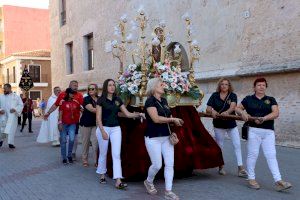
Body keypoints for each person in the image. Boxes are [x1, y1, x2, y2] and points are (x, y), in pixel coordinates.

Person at [235, 77, 292, 191]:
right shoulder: (248, 99)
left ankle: (278, 181)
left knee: (271, 155)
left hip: (268, 131)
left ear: (266, 87)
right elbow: (237, 108)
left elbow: (276, 113)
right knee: (253, 154)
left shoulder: (271, 99)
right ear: (254, 87)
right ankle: (251, 178)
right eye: (259, 85)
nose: (261, 87)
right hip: (254, 130)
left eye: (263, 85)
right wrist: (242, 113)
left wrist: (264, 118)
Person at [96, 79, 144, 189]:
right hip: (103, 128)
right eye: (109, 85)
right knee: (103, 152)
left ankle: (118, 180)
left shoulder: (118, 100)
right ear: (105, 87)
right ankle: (102, 174)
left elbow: (127, 114)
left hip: (116, 129)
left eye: (113, 85)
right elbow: (98, 118)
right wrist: (103, 131)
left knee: (116, 154)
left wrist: (139, 114)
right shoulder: (101, 100)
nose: (112, 87)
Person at [143, 78, 184, 200]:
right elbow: (156, 119)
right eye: (161, 84)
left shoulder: (164, 100)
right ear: (153, 87)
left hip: (166, 136)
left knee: (170, 164)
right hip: (153, 137)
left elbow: (168, 117)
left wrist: (173, 128)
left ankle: (168, 191)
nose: (163, 86)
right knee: (157, 165)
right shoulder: (150, 101)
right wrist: (173, 119)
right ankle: (149, 181)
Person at [206, 78, 247, 177]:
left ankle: (240, 167)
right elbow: (208, 109)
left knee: (237, 144)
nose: (224, 86)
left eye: (226, 84)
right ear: (219, 86)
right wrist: (212, 112)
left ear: (229, 86)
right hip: (218, 124)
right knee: (220, 145)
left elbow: (233, 107)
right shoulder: (214, 95)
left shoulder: (232, 95)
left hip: (230, 124)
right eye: (222, 84)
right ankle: (221, 166)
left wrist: (227, 113)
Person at [44, 80, 83, 160]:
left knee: (74, 138)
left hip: (74, 122)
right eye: (74, 85)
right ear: (69, 86)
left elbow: (82, 107)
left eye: (77, 85)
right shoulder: (62, 95)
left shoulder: (79, 95)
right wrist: (48, 113)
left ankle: (73, 153)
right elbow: (55, 105)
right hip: (64, 122)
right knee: (64, 139)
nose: (76, 87)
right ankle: (64, 156)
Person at [58, 88, 81, 164]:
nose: (73, 95)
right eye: (71, 93)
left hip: (72, 124)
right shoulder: (63, 102)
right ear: (67, 93)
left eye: (73, 93)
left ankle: (69, 155)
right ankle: (64, 158)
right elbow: (60, 113)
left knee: (71, 140)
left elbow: (82, 109)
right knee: (63, 141)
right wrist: (60, 123)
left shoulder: (76, 102)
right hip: (64, 124)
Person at [80, 84, 99, 167]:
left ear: (96, 90)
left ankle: (96, 161)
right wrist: (104, 110)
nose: (90, 90)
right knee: (86, 143)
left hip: (96, 124)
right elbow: (91, 109)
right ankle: (85, 159)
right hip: (86, 123)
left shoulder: (100, 99)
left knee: (96, 143)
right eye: (89, 89)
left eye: (92, 89)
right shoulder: (86, 99)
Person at [0, 84, 24, 148]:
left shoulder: (16, 97)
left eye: (5, 88)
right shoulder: (1, 96)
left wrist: (15, 109)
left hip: (12, 116)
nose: (4, 90)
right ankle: (1, 141)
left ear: (10, 88)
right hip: (3, 116)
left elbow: (21, 105)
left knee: (11, 129)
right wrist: (0, 110)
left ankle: (11, 143)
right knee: (2, 129)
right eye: (4, 88)